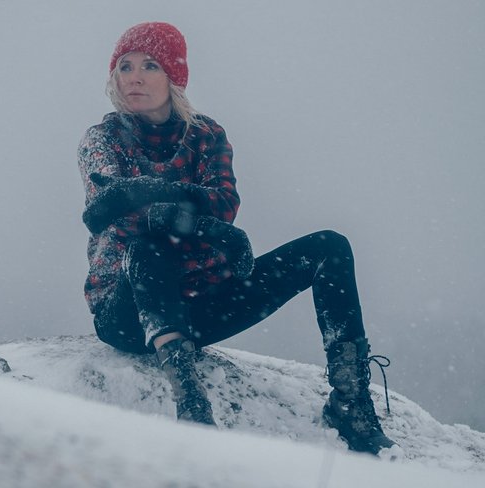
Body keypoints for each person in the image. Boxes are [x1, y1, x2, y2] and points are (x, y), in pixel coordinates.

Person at [78, 21, 395, 455]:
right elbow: (112, 212)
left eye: (149, 65)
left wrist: (161, 200)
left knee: (330, 246)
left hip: (201, 307)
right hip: (129, 314)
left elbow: (224, 202)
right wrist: (203, 224)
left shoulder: (206, 135)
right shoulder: (103, 139)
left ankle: (351, 400)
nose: (134, 76)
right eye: (125, 66)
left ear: (174, 76)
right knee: (147, 245)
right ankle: (190, 402)